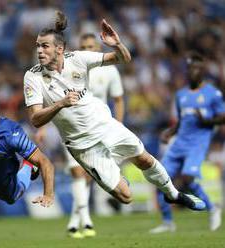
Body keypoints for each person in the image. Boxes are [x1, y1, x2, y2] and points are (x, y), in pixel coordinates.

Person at [23, 11, 206, 220]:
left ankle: (173, 194)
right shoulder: (33, 77)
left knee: (144, 158)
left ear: (60, 49)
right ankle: (114, 174)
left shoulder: (79, 59)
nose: (39, 50)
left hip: (105, 125)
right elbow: (36, 120)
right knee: (125, 196)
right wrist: (60, 104)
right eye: (38, 45)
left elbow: (123, 58)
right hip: (82, 144)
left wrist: (116, 44)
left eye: (44, 46)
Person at [149, 53, 225, 233]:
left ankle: (212, 208)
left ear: (202, 71)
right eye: (190, 68)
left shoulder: (212, 93)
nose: (192, 72)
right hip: (179, 143)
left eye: (196, 68)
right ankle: (168, 222)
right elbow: (183, 120)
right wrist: (170, 132)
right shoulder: (181, 95)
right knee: (161, 178)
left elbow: (223, 117)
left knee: (188, 178)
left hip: (197, 143)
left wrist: (206, 121)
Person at [66, 33, 125, 238]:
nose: (87, 50)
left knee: (90, 176)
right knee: (78, 173)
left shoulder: (109, 71)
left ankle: (75, 221)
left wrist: (117, 125)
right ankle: (86, 221)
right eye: (83, 46)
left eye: (91, 46)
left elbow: (118, 99)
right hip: (74, 127)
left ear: (98, 49)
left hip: (99, 127)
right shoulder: (71, 68)